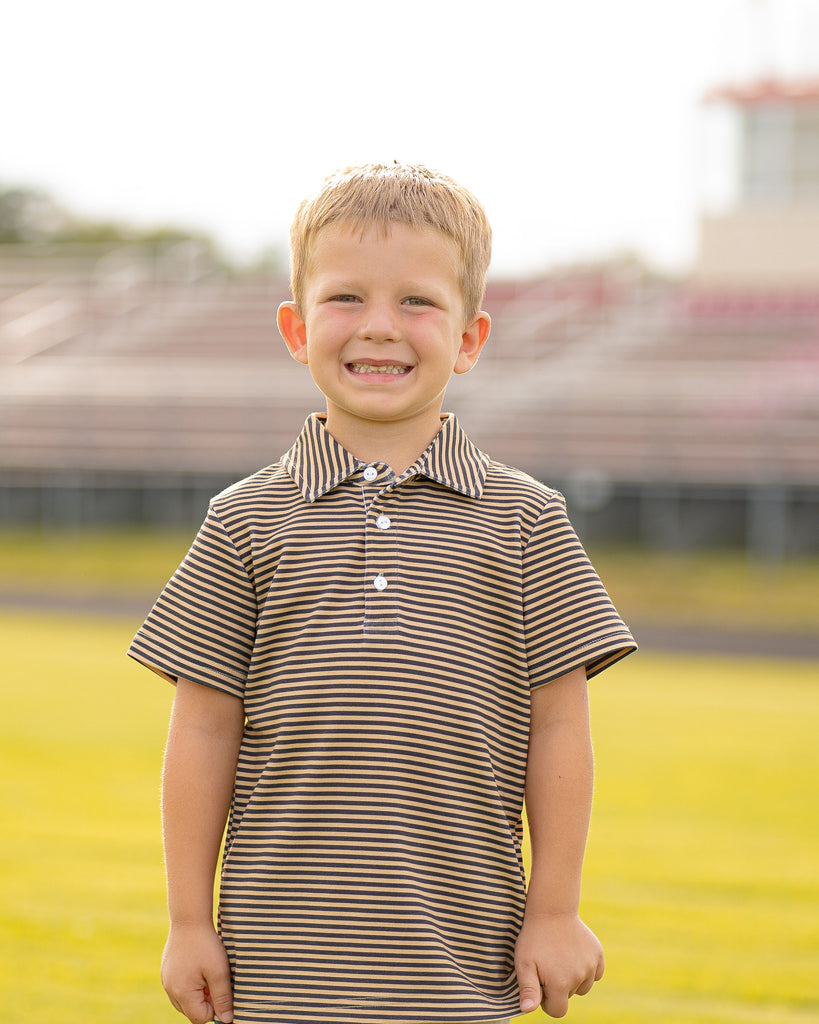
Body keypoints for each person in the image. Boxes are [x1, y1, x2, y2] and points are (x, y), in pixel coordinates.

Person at [129, 162, 636, 1024]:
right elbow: (204, 727)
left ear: (470, 338)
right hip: (275, 973)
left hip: (462, 970)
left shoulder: (526, 519)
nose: (378, 328)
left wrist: (552, 911)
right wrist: (187, 921)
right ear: (295, 326)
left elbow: (559, 724)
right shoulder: (244, 520)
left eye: (416, 302)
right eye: (344, 298)